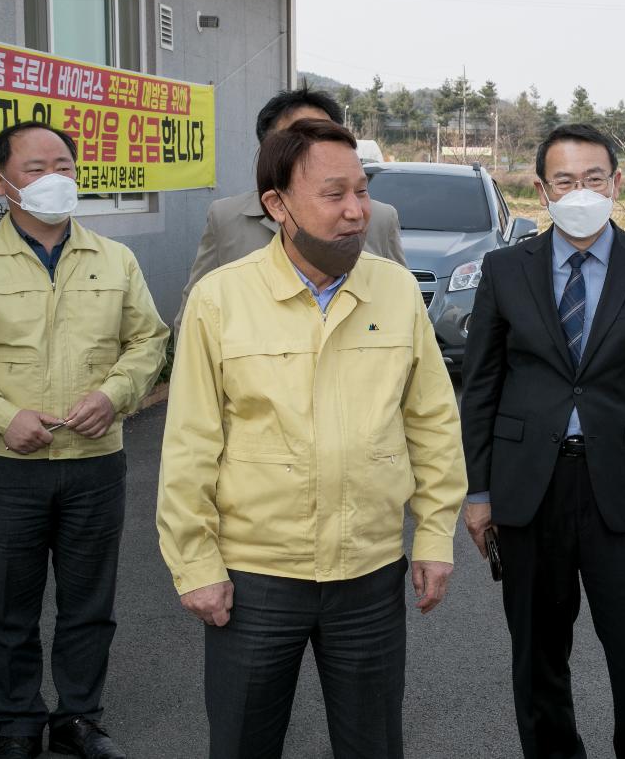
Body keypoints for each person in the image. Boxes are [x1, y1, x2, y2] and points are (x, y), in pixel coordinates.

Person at [157, 118, 465, 759]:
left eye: (362, 191)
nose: (357, 211)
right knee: (244, 742)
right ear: (278, 205)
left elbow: (433, 424)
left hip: (370, 574)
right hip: (256, 578)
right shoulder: (221, 300)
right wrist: (195, 565)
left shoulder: (397, 290)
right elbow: (189, 443)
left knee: (373, 744)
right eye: (334, 194)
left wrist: (434, 536)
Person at [0, 122, 169, 759]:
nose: (54, 178)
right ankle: (18, 723)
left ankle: (79, 719)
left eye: (63, 164)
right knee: (11, 603)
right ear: (0, 184)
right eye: (36, 168)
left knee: (90, 602)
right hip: (8, 464)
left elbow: (148, 340)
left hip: (94, 461)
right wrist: (2, 414)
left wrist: (112, 397)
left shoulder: (114, 259)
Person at [460, 123, 625, 759]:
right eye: (565, 181)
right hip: (527, 490)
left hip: (623, 489)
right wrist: (478, 492)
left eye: (594, 179)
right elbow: (480, 388)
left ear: (616, 184)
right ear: (543, 190)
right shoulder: (505, 269)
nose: (581, 191)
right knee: (537, 657)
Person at [175, 84, 405, 336]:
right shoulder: (227, 217)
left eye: (323, 134)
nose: (353, 213)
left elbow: (399, 313)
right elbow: (194, 317)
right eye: (297, 138)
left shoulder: (379, 218)